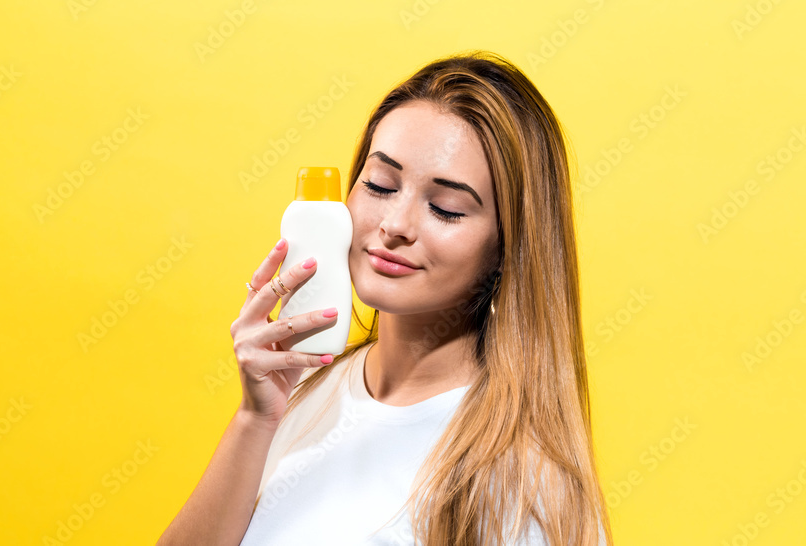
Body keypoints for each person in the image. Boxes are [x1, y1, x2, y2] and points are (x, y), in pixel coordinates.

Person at [157, 50, 612, 546]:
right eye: (379, 184)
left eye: (446, 208)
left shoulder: (524, 482)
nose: (394, 225)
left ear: (509, 248)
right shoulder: (298, 394)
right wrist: (254, 419)